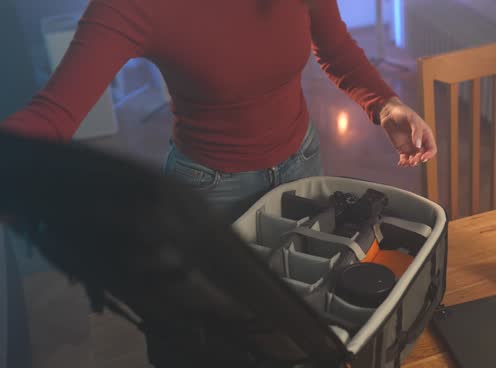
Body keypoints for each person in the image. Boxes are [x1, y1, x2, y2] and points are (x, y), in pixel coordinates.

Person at [1, 0, 437, 222]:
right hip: (210, 189)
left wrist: (385, 103)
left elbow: (335, 46)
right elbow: (54, 113)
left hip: (303, 163)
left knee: (301, 302)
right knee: (216, 325)